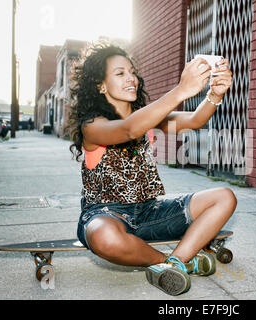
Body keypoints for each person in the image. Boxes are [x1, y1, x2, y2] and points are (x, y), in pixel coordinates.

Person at [69, 43, 236, 296]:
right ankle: (167, 262)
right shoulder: (92, 126)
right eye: (120, 73)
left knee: (224, 197)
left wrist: (216, 93)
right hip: (105, 215)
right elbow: (128, 129)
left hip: (151, 211)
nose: (131, 78)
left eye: (133, 72)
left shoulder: (149, 119)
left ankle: (176, 262)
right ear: (100, 85)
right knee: (104, 237)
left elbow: (195, 120)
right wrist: (181, 90)